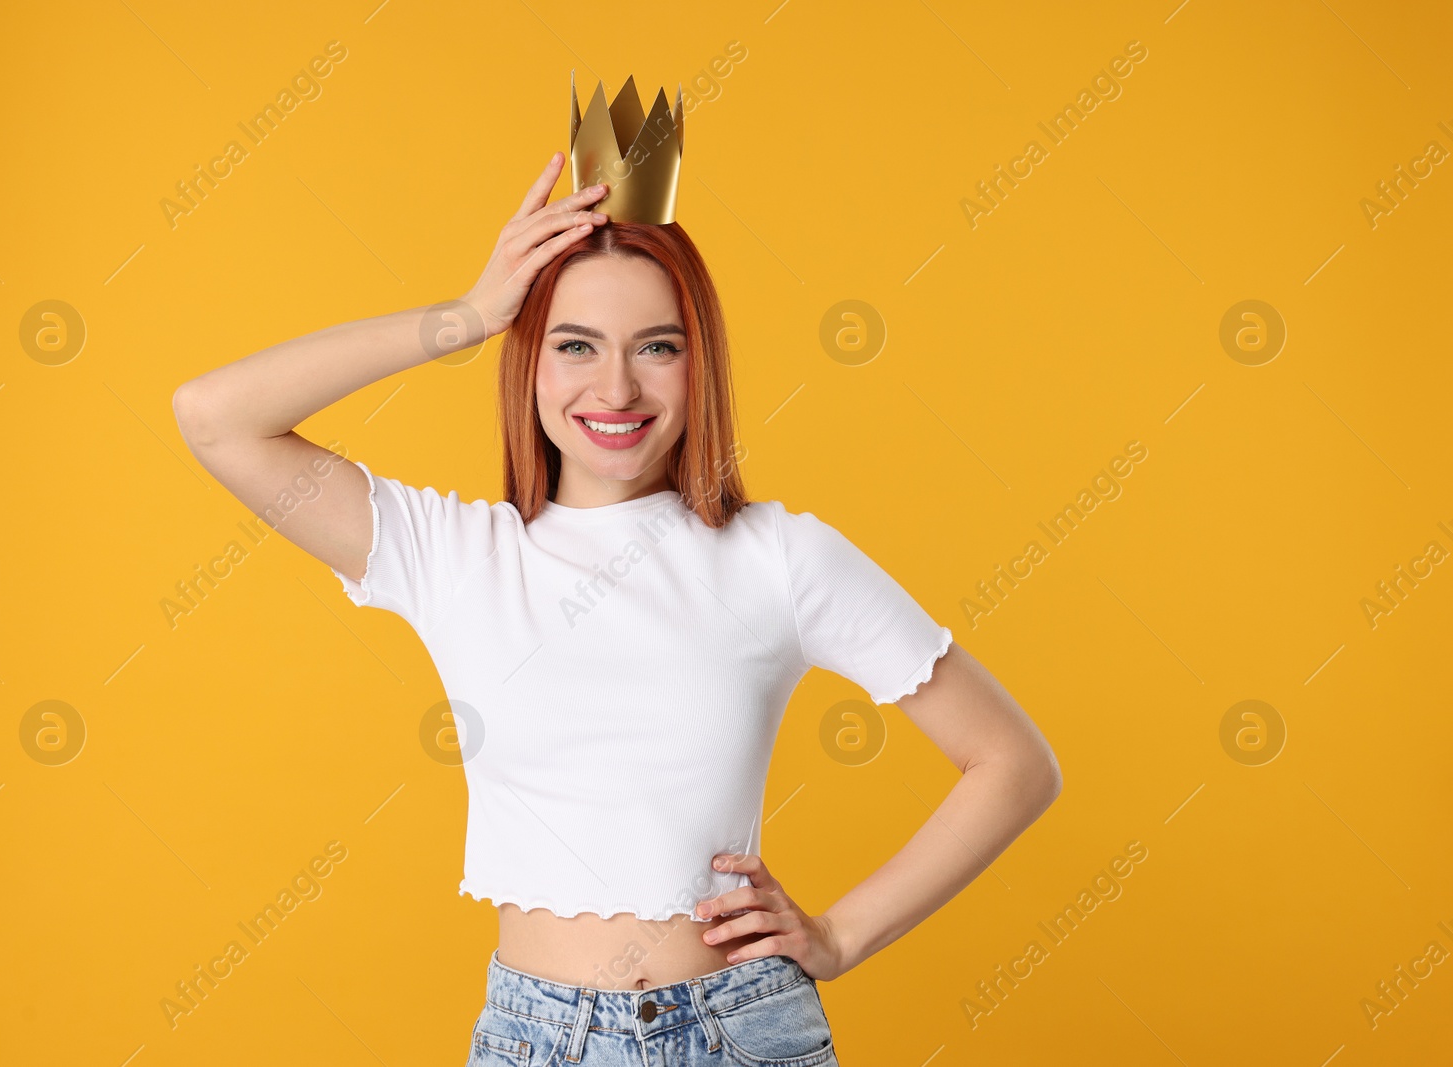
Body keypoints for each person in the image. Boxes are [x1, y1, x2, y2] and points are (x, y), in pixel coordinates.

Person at [173, 150, 1061, 1065]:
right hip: (534, 1039)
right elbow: (214, 416)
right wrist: (468, 316)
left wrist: (838, 936)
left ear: (698, 360)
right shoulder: (455, 552)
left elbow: (1013, 763)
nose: (618, 388)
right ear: (529, 358)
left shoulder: (782, 557)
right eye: (576, 344)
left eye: (657, 346)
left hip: (741, 1031)